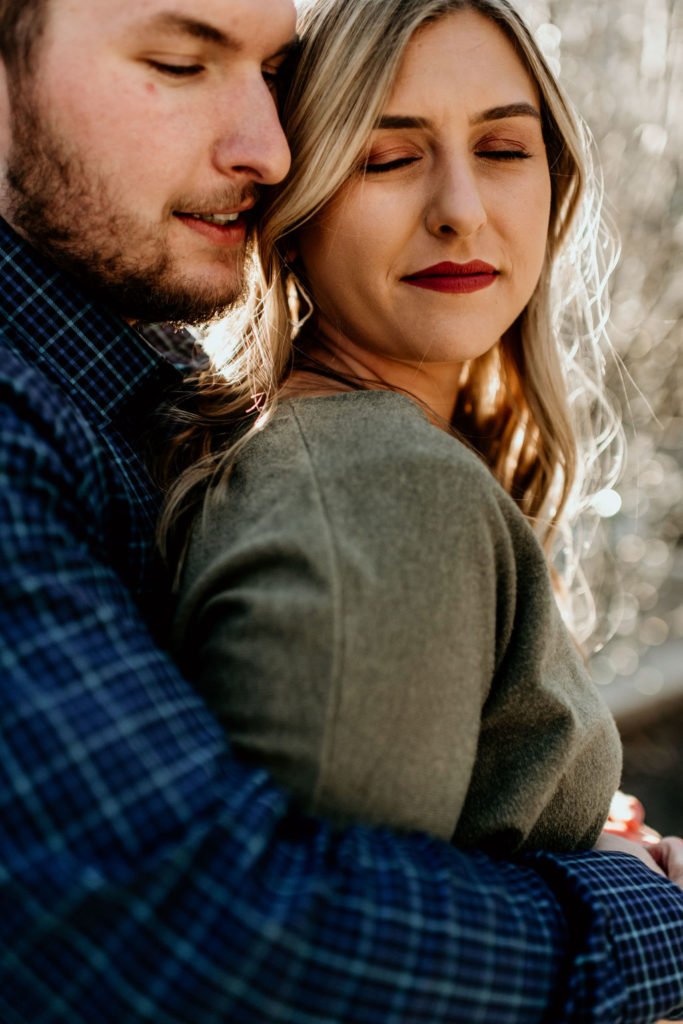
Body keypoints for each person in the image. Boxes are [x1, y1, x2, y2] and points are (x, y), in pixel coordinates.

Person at [0, 0, 682, 1022]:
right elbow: (254, 944)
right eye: (181, 63)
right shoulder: (368, 478)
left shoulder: (146, 399)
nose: (266, 151)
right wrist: (648, 909)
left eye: (503, 145)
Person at [162, 0, 681, 867]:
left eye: (503, 149)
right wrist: (640, 909)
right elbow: (320, 945)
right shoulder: (384, 486)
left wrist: (591, 843)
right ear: (295, 202)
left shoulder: (345, 453)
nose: (460, 211)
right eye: (388, 157)